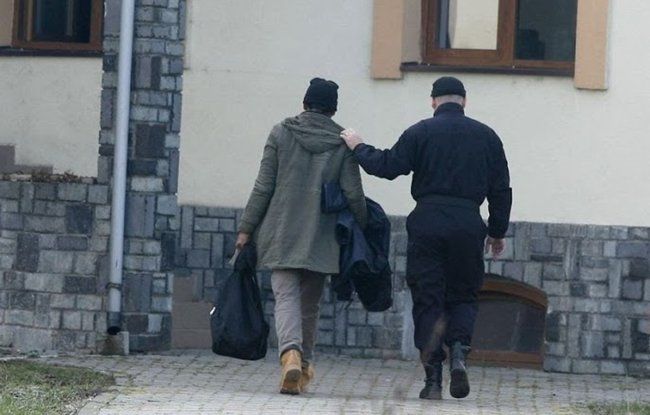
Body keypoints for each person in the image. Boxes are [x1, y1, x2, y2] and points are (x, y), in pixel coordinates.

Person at [340, 76, 512, 401]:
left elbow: (388, 166)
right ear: (464, 101)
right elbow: (501, 189)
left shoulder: (420, 132)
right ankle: (459, 351)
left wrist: (358, 147)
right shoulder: (487, 137)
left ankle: (432, 378)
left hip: (428, 223)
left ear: (433, 101)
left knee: (427, 297)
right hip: (467, 223)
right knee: (463, 294)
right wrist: (497, 231)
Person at [236, 78, 367, 395]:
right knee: (309, 304)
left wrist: (246, 229)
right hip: (321, 236)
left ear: (305, 103)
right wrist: (363, 224)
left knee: (285, 297)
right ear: (333, 110)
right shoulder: (341, 143)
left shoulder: (281, 133)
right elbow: (353, 192)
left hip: (282, 231)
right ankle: (303, 367)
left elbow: (263, 186)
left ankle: (290, 355)